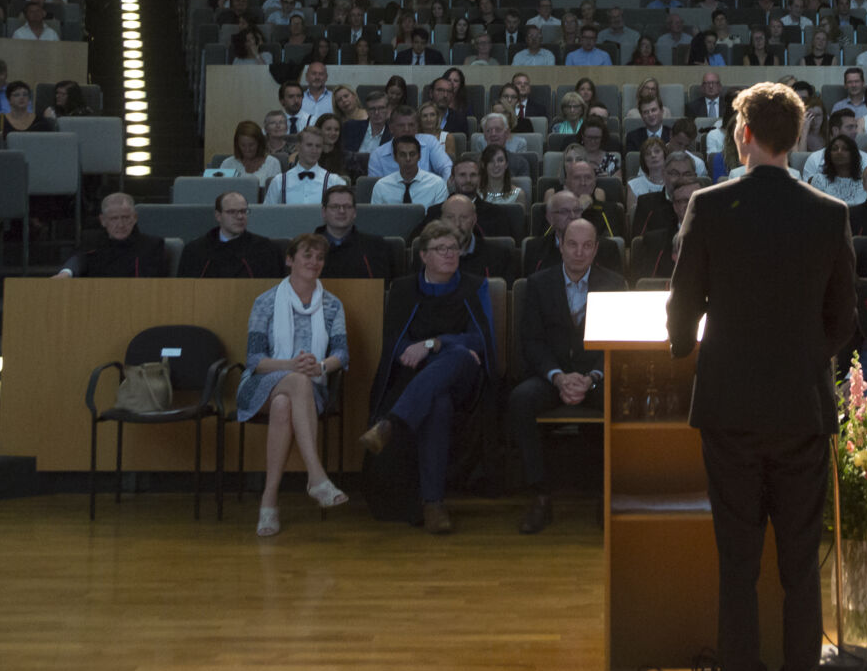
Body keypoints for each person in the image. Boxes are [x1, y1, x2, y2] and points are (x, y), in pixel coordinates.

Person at [666, 81, 855, 671]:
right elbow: (844, 319)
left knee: (738, 564)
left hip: (730, 408)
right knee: (800, 565)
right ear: (798, 137)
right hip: (802, 407)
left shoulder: (711, 205)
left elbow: (684, 306)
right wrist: (803, 360)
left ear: (741, 135)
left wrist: (682, 349)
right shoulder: (830, 211)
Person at [358, 223, 496, 536]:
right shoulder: (404, 289)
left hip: (464, 380)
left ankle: (391, 423)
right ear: (423, 256)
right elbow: (394, 342)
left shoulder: (476, 286)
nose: (449, 254)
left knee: (460, 357)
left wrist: (433, 345)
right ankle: (433, 504)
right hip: (417, 378)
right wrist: (418, 350)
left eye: (453, 249)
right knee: (438, 404)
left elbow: (480, 341)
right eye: (440, 249)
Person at [508, 218, 625, 534]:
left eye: (587, 245)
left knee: (620, 398)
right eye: (572, 244)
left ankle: (607, 494)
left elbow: (618, 341)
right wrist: (558, 377)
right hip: (552, 376)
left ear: (596, 248)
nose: (579, 252)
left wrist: (593, 377)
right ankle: (540, 495)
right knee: (521, 399)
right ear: (560, 245)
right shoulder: (538, 284)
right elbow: (531, 341)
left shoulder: (614, 284)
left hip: (595, 376)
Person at [239, 234, 352, 536]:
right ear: (290, 260)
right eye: (307, 256)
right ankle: (316, 477)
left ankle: (269, 501)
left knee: (283, 404)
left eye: (319, 258)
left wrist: (321, 366)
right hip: (262, 383)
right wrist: (290, 365)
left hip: (310, 388)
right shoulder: (265, 302)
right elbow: (254, 360)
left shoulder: (331, 305)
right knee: (295, 382)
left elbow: (341, 354)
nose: (314, 263)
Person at [55, 193, 168, 277]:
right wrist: (65, 273)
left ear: (135, 218)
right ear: (103, 220)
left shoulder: (152, 245)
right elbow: (77, 261)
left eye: (126, 217)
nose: (120, 225)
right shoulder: (91, 242)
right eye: (114, 219)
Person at [177, 192, 284, 279]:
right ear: (218, 216)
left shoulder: (265, 249)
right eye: (232, 212)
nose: (240, 216)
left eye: (243, 211)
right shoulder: (195, 250)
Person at [315, 184, 396, 278]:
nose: (341, 211)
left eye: (347, 206)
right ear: (324, 212)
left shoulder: (376, 246)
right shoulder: (306, 247)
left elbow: (385, 286)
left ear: (354, 212)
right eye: (335, 206)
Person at [372, 134, 448, 208]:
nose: (408, 159)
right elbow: (376, 218)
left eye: (412, 154)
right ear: (395, 158)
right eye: (403, 155)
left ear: (419, 156)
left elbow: (440, 218)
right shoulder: (381, 186)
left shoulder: (437, 184)